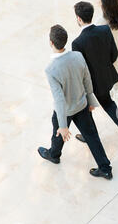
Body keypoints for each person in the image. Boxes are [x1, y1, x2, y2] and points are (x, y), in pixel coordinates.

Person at [38, 24, 113, 180]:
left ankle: (54, 154)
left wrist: (64, 126)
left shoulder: (51, 70)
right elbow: (87, 80)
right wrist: (91, 100)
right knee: (92, 137)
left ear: (51, 43)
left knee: (58, 132)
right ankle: (105, 168)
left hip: (65, 111)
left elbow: (59, 99)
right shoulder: (78, 56)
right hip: (82, 105)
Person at [72, 1, 118, 144]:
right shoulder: (105, 30)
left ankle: (88, 136)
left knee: (86, 111)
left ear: (79, 19)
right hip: (108, 76)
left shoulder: (77, 43)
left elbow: (80, 69)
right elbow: (114, 54)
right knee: (110, 104)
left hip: (92, 83)